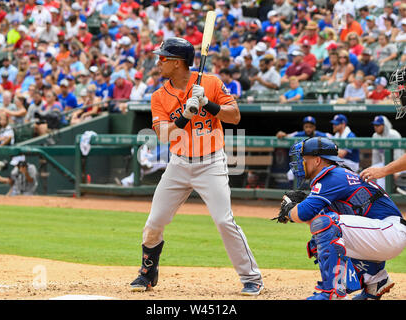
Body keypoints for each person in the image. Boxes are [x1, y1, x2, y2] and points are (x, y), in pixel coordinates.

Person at [129, 37, 263, 296]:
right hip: (178, 164)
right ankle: (147, 272)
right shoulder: (158, 96)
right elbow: (163, 135)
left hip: (211, 162)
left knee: (224, 221)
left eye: (163, 58)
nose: (158, 62)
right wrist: (184, 116)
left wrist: (208, 105)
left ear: (178, 63)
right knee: (154, 222)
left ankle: (251, 278)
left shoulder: (210, 83)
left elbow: (234, 116)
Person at [278, 136, 405, 300]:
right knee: (320, 233)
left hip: (390, 231)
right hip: (383, 233)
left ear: (317, 160)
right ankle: (376, 281)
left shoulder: (332, 176)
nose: (300, 163)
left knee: (327, 225)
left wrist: (289, 211)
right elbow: (312, 216)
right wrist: (296, 211)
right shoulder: (336, 175)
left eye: (304, 159)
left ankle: (333, 293)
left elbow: (303, 214)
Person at [368, 115, 404, 190]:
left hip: (399, 163)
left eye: (378, 125)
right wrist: (373, 169)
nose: (375, 127)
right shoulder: (375, 136)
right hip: (384, 163)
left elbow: (398, 155)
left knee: (382, 175)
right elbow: (376, 158)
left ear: (384, 125)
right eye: (374, 125)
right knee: (368, 172)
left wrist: (396, 171)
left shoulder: (394, 135)